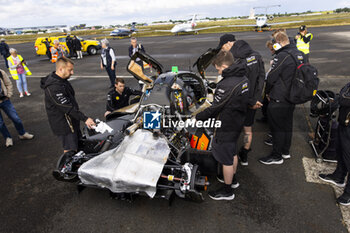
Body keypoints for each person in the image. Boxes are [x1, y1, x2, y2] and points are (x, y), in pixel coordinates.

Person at [195, 51, 249, 200]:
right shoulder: (243, 77)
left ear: (224, 66)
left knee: (225, 158)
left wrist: (197, 117)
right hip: (237, 121)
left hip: (226, 125)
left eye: (218, 69)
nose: (218, 71)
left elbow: (215, 108)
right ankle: (233, 180)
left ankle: (227, 191)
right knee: (232, 153)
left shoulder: (227, 84)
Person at [259, 31, 305, 165]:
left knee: (277, 127)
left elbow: (272, 77)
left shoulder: (282, 56)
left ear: (278, 43)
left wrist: (267, 93)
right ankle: (285, 151)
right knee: (287, 125)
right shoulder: (299, 53)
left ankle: (276, 155)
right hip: (293, 95)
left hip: (280, 96)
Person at [219, 34, 265, 166]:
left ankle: (231, 159)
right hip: (253, 101)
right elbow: (261, 78)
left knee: (232, 133)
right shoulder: (256, 55)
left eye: (223, 47)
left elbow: (236, 84)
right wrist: (256, 99)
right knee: (248, 130)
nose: (224, 51)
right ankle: (244, 155)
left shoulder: (237, 60)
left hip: (240, 102)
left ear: (229, 44)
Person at [40, 57, 95, 153]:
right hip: (64, 125)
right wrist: (85, 118)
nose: (72, 72)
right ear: (61, 69)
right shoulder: (53, 87)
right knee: (70, 149)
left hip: (72, 121)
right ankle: (69, 166)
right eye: (70, 70)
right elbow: (67, 107)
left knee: (78, 144)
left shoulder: (62, 81)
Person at [319, 82, 350, 206]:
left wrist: (342, 96)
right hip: (345, 123)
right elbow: (344, 92)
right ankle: (339, 176)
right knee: (341, 151)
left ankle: (348, 193)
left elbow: (344, 98)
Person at [0, 69, 34, 147]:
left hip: (5, 100)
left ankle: (22, 133)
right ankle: (8, 138)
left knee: (15, 118)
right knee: (0, 124)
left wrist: (8, 95)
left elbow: (8, 84)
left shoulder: (1, 72)